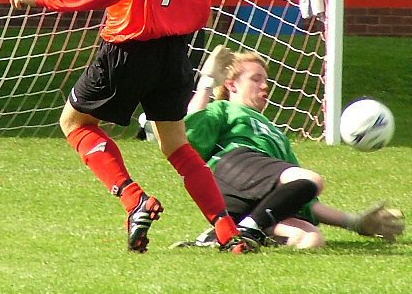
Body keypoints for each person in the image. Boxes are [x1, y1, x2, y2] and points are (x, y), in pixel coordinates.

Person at [8, 0, 256, 255]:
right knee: (176, 145)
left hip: (128, 47)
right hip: (175, 52)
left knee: (74, 123)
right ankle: (229, 233)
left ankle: (134, 199)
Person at [171, 46, 405, 249]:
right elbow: (189, 134)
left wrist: (356, 223)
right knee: (312, 179)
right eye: (256, 79)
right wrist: (207, 81)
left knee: (310, 239)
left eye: (266, 80)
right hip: (231, 170)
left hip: (256, 202)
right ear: (231, 85)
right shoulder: (224, 109)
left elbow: (304, 198)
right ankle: (248, 230)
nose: (264, 86)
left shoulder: (278, 137)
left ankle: (227, 235)